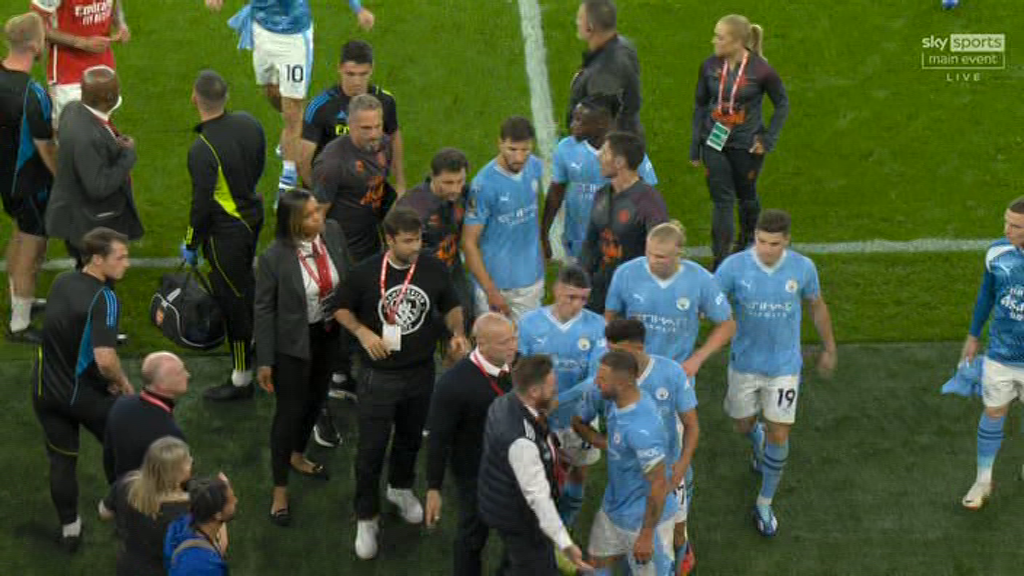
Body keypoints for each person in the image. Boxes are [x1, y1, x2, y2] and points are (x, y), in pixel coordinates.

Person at [333, 206, 469, 559]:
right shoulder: (365, 273)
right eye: (408, 241)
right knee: (371, 449)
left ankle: (400, 487)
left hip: (421, 371)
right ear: (389, 239)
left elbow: (451, 303)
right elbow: (340, 307)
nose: (415, 247)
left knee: (410, 439)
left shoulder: (433, 267)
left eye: (419, 239)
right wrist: (362, 332)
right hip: (378, 376)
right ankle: (366, 516)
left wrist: (456, 332)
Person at [715, 209, 836, 535]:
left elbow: (816, 305)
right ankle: (756, 439)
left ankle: (765, 502)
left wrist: (829, 347)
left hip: (784, 366)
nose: (766, 249)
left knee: (779, 433)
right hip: (744, 363)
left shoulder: (803, 268)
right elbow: (711, 301)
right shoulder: (733, 267)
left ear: (787, 241)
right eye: (761, 241)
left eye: (774, 243)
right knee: (743, 424)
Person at [205, 0, 375, 202]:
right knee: (271, 92)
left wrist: (358, 8)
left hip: (294, 40)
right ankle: (291, 132)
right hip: (262, 31)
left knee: (292, 113)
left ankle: (287, 183)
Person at [254, 189, 352, 526]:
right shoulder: (274, 258)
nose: (319, 218)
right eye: (311, 215)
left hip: (328, 336)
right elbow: (264, 310)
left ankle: (298, 455)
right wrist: (265, 360)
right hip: (292, 346)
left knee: (315, 402)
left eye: (318, 211)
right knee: (289, 413)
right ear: (294, 223)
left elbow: (348, 276)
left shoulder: (333, 234)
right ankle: (279, 488)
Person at [32, 226, 134, 553]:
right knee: (125, 448)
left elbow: (68, 337)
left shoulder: (62, 282)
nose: (127, 264)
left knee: (61, 460)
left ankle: (70, 529)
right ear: (97, 259)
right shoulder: (105, 297)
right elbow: (104, 359)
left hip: (45, 390)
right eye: (120, 257)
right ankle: (116, 509)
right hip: (84, 396)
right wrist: (123, 383)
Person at [180, 69, 267, 402]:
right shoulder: (249, 122)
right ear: (226, 96)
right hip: (253, 218)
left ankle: (242, 378)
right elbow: (258, 164)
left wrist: (191, 242)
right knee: (248, 286)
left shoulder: (201, 149)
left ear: (194, 97)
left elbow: (201, 205)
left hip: (225, 234)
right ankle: (260, 343)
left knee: (234, 304)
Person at [689, 14, 789, 270]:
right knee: (722, 201)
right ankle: (720, 261)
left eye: (719, 37)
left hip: (747, 145)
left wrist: (768, 139)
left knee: (746, 197)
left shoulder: (760, 70)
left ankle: (746, 241)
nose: (714, 41)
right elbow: (700, 105)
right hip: (715, 141)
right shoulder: (709, 66)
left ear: (736, 42)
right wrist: (695, 145)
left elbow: (782, 104)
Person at [477, 355, 592, 575]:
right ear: (534, 392)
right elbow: (538, 498)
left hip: (498, 497)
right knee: (538, 567)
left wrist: (552, 453)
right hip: (520, 515)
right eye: (552, 386)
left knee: (516, 558)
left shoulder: (505, 401)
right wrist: (565, 543)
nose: (556, 390)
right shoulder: (522, 441)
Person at [602, 318, 699, 574]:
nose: (611, 358)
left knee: (673, 533)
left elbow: (692, 426)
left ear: (638, 348)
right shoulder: (609, 374)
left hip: (666, 472)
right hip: (626, 476)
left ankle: (681, 547)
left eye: (617, 351)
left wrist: (682, 464)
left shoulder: (671, 373)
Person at [425, 313, 517, 576]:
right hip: (476, 473)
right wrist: (433, 487)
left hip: (515, 467)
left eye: (513, 338)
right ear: (481, 344)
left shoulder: (517, 365)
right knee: (473, 535)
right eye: (503, 342)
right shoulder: (453, 384)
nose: (512, 346)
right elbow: (438, 439)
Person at [517, 265, 606, 528]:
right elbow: (520, 370)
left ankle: (565, 523)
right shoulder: (529, 324)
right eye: (571, 297)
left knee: (578, 471)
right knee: (539, 475)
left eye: (583, 298)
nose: (577, 304)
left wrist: (557, 400)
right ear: (556, 290)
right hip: (539, 419)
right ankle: (538, 524)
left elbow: (595, 379)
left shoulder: (598, 325)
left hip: (580, 417)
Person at [573, 349, 676, 576]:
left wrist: (646, 535)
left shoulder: (643, 429)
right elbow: (579, 422)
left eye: (602, 379)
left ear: (621, 384)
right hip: (613, 507)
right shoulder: (617, 402)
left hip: (643, 521)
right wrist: (604, 442)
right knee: (596, 565)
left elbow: (658, 485)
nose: (596, 383)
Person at [959, 197, 1024, 510]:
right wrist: (973, 335)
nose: (1007, 230)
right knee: (993, 412)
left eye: (1016, 226)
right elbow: (986, 294)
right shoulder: (997, 252)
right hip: (1000, 354)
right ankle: (983, 480)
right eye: (1006, 222)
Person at [45, 65, 141, 268]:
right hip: (90, 224)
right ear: (109, 98)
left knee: (86, 278)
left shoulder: (72, 110)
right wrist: (127, 156)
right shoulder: (87, 137)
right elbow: (98, 187)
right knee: (95, 280)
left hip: (77, 217)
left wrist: (114, 144)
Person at [605, 221, 735, 369]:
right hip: (632, 369)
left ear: (678, 253)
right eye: (648, 253)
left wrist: (697, 359)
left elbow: (727, 325)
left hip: (676, 371)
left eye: (660, 257)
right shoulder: (626, 272)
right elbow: (610, 315)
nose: (652, 261)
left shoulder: (700, 279)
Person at [542, 96, 657, 264]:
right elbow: (556, 192)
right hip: (577, 244)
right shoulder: (565, 148)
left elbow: (649, 198)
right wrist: (543, 233)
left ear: (602, 123)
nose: (572, 124)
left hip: (619, 245)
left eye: (580, 120)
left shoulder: (629, 152)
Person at [1, 12, 56, 343]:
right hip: (29, 180)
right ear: (35, 46)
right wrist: (65, 178)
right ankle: (19, 323)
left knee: (19, 234)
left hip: (6, 177)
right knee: (32, 247)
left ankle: (18, 299)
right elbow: (46, 147)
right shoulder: (33, 93)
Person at [462, 116, 545, 321]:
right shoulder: (483, 185)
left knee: (528, 347)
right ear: (499, 143)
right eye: (512, 149)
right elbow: (469, 242)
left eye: (525, 150)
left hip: (530, 281)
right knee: (493, 347)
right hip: (496, 285)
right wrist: (491, 291)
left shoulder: (534, 167)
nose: (519, 157)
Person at [300, 39, 404, 193]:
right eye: (350, 74)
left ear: (372, 69)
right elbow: (304, 160)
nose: (357, 82)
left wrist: (400, 184)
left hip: (370, 185)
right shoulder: (320, 107)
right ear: (340, 68)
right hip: (332, 185)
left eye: (363, 74)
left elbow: (394, 137)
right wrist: (319, 194)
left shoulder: (385, 101)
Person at [581, 130, 667, 314]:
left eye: (604, 153)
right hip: (600, 290)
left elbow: (660, 253)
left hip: (632, 295)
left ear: (619, 162)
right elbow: (590, 244)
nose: (598, 157)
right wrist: (581, 281)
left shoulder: (649, 202)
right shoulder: (602, 195)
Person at [396, 147, 473, 332]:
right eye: (448, 182)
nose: (455, 188)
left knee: (465, 318)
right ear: (433, 176)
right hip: (421, 276)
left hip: (452, 269)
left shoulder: (464, 193)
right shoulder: (413, 208)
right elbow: (397, 250)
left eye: (460, 181)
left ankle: (454, 356)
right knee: (428, 327)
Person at [313, 92, 395, 264]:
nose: (373, 134)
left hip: (373, 243)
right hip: (344, 253)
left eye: (377, 126)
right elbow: (317, 215)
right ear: (350, 124)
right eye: (366, 128)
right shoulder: (332, 163)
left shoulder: (384, 144)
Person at [99, 436, 193, 576]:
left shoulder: (127, 484)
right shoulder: (187, 510)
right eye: (186, 461)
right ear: (175, 473)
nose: (192, 461)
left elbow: (104, 512)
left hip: (129, 566)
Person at [30, 0, 130, 124]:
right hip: (68, 72)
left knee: (102, 124)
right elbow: (36, 24)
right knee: (69, 130)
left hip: (103, 66)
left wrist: (121, 24)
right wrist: (81, 42)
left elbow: (114, 2)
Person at [103, 352, 190, 483]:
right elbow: (177, 483)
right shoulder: (169, 433)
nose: (188, 375)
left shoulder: (122, 403)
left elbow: (108, 458)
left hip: (120, 492)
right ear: (163, 384)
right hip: (150, 499)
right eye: (180, 372)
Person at [569, 0, 642, 136]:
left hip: (610, 150)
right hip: (629, 135)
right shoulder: (624, 46)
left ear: (589, 27)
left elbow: (595, 128)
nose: (577, 22)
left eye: (580, 19)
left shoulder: (604, 75)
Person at [164, 473, 237, 576]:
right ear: (218, 515)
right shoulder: (207, 567)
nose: (236, 501)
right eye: (231, 500)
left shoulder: (179, 528)